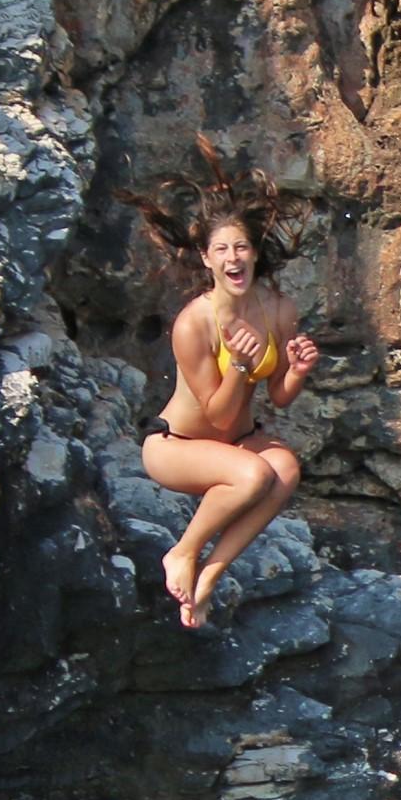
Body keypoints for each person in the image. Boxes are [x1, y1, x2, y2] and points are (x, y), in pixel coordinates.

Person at [131, 141, 321, 628]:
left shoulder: (277, 309)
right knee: (253, 475)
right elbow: (216, 414)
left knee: (284, 469)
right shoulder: (194, 323)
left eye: (241, 247)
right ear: (206, 258)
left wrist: (295, 371)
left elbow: (278, 397)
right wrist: (237, 365)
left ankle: (209, 577)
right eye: (221, 249)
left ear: (254, 253)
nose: (233, 258)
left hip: (237, 440)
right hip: (176, 446)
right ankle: (184, 552)